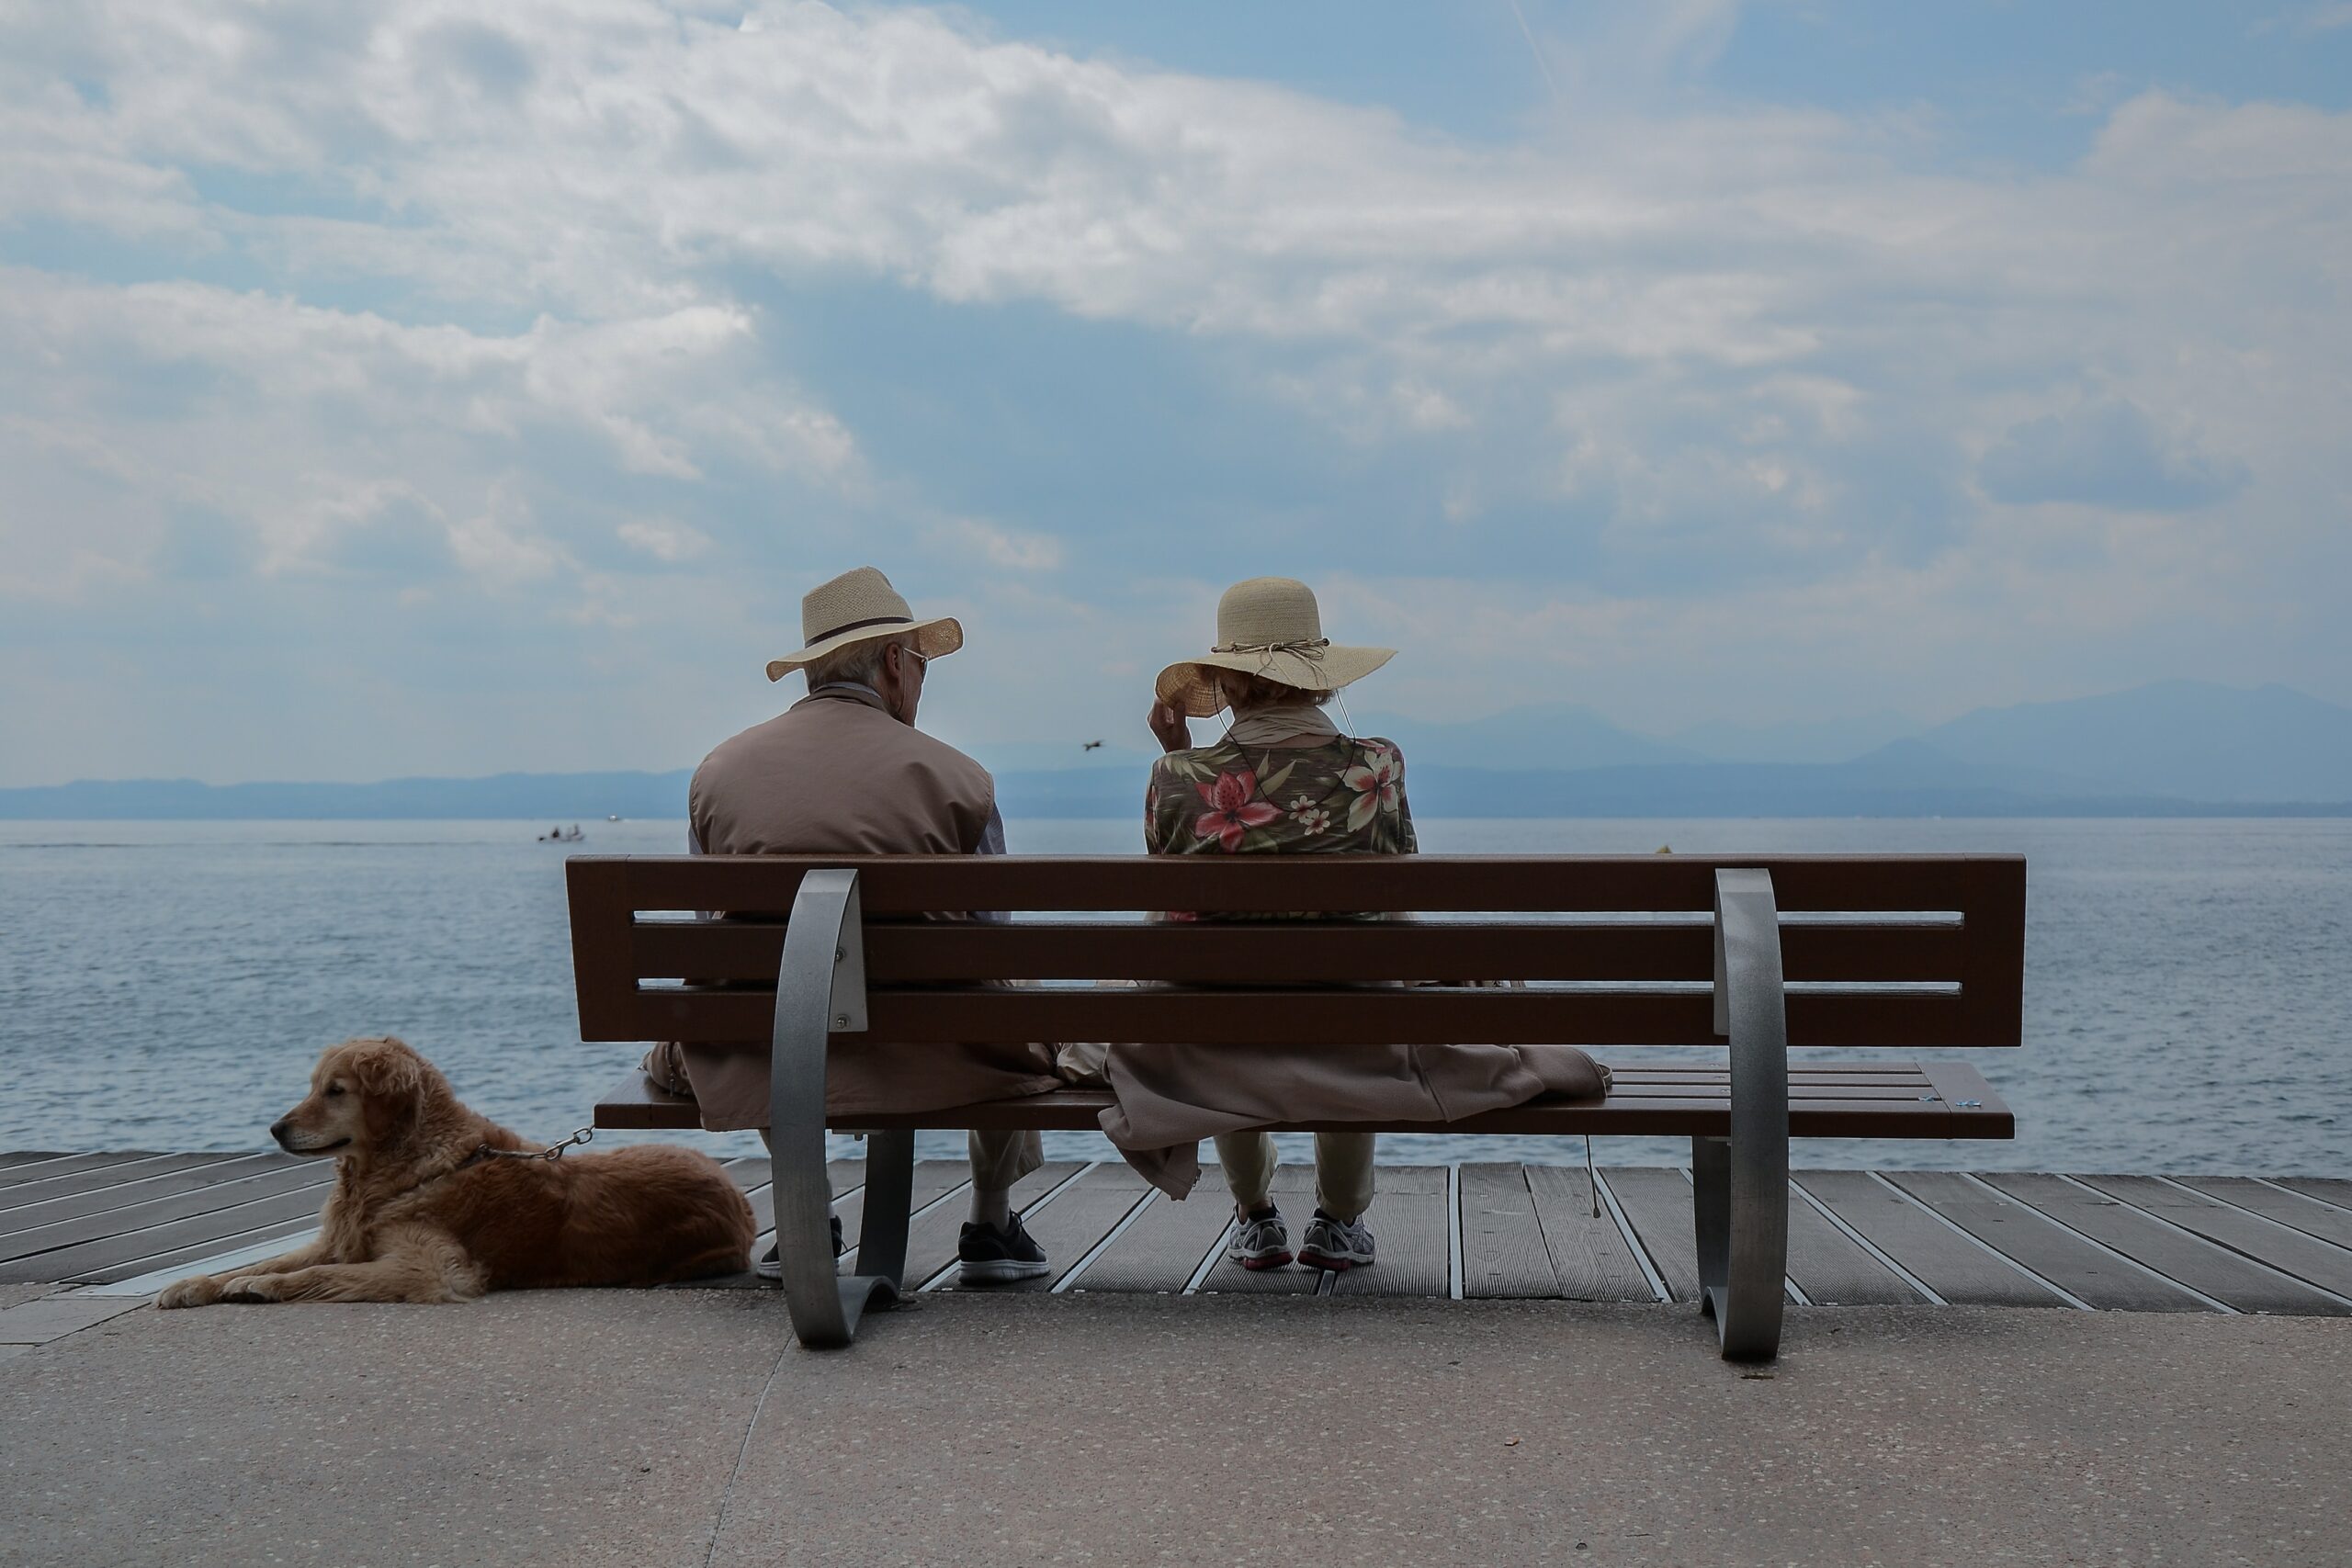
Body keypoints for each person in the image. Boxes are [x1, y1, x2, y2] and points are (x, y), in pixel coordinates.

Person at [1099, 576, 1610, 1272]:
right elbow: (1400, 891)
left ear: (1228, 681)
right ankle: (1338, 1219)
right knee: (1364, 984)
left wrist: (1180, 751)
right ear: (1320, 679)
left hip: (1215, 1039)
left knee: (1210, 994)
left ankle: (1254, 1215)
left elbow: (1173, 910)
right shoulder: (1377, 765)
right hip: (1358, 1032)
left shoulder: (1175, 774)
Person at [639, 566, 1062, 1285]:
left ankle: (808, 1213)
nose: (923, 682)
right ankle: (990, 1222)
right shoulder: (962, 779)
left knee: (756, 999)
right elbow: (993, 940)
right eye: (923, 663)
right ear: (895, 663)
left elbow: (712, 930)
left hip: (760, 1051)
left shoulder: (719, 773)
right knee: (1008, 995)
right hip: (938, 1053)